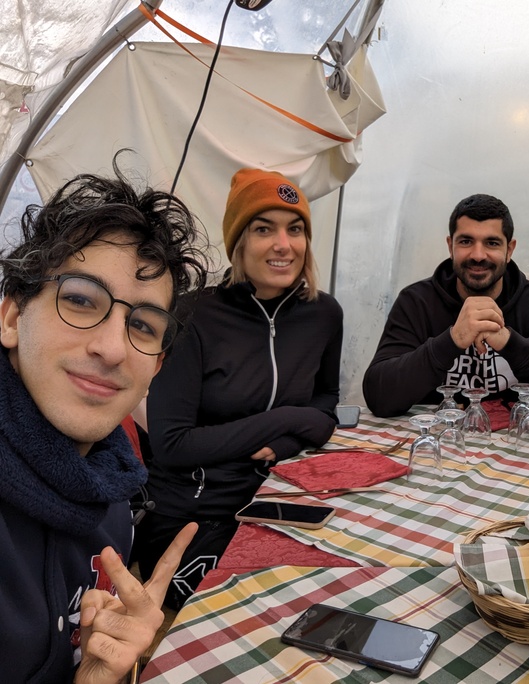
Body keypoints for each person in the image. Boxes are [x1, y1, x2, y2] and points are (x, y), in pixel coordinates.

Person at [0, 160, 209, 683]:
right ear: (10, 317)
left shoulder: (116, 502)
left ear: (156, 365)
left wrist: (97, 673)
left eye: (142, 324)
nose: (113, 348)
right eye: (78, 299)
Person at [136, 168, 343, 608]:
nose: (283, 245)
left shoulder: (324, 314)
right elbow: (172, 444)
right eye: (263, 229)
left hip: (274, 500)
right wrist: (287, 420)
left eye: (295, 229)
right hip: (189, 515)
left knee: (331, 589)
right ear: (239, 242)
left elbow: (326, 405)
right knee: (253, 607)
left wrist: (284, 442)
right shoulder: (193, 315)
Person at [362, 193, 529, 418]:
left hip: (515, 442)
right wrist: (451, 340)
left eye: (492, 243)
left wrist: (510, 343)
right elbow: (379, 397)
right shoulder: (416, 301)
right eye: (466, 241)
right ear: (450, 245)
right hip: (439, 440)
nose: (478, 255)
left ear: (509, 250)